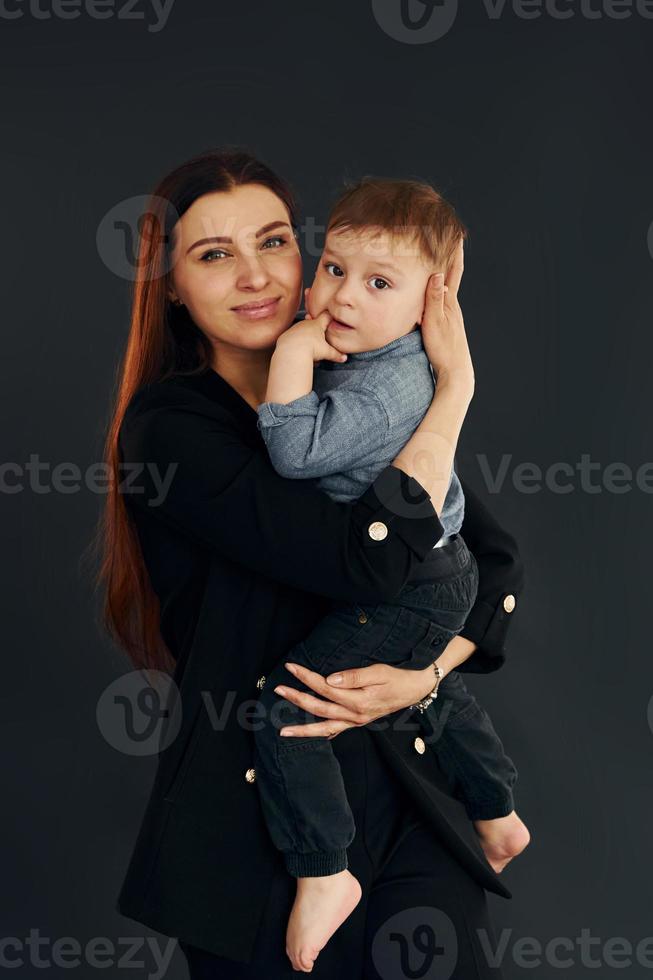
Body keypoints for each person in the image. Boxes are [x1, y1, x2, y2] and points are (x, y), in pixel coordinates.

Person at [97, 147, 525, 979]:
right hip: (257, 834)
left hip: (406, 796)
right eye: (215, 255)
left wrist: (425, 675)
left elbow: (490, 566)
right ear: (174, 288)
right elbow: (363, 563)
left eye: (273, 243)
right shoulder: (173, 430)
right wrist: (454, 393)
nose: (255, 276)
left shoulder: (362, 394)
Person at [253, 177, 529, 971]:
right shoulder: (391, 355)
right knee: (430, 681)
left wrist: (294, 350)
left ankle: (323, 868)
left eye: (379, 283)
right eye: (333, 268)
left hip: (410, 581)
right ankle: (496, 807)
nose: (342, 296)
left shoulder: (382, 390)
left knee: (286, 707)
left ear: (430, 306)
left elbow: (293, 451)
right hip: (438, 576)